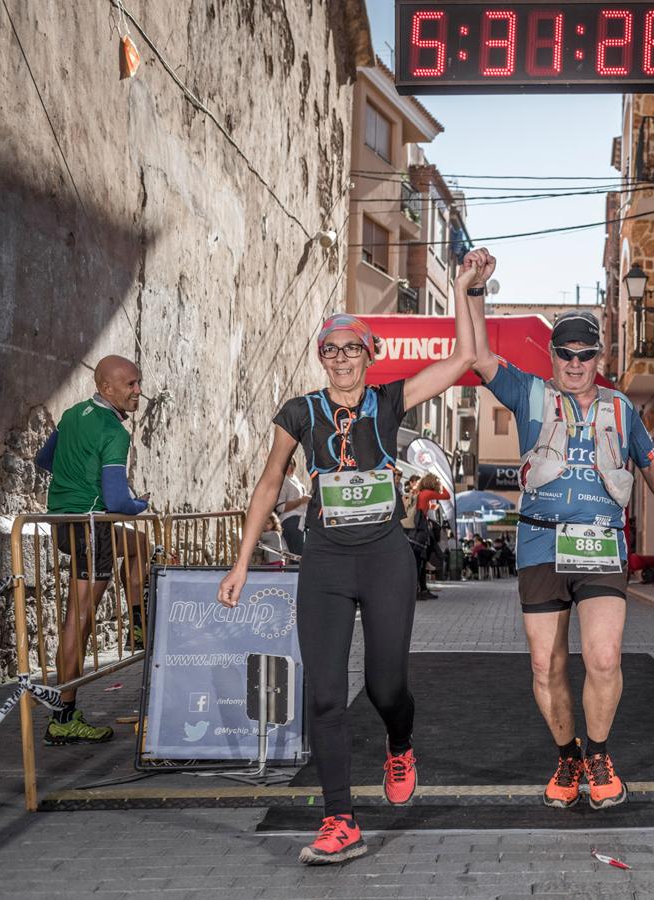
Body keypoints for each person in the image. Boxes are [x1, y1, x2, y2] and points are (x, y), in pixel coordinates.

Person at [216, 252, 483, 865]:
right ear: (322, 357)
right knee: (326, 695)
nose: (340, 358)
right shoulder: (299, 413)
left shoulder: (390, 403)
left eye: (351, 348)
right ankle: (340, 818)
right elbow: (267, 484)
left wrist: (468, 290)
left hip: (386, 557)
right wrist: (240, 562)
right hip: (327, 561)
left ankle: (400, 742)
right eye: (330, 349)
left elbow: (464, 360)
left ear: (370, 355)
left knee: (386, 685)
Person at [469, 282, 654, 811]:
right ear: (552, 356)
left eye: (584, 354)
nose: (574, 363)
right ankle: (567, 757)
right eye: (565, 354)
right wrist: (473, 291)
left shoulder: (620, 409)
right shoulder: (530, 395)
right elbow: (477, 356)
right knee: (545, 665)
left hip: (601, 545)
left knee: (604, 657)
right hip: (541, 543)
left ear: (598, 357)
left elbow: (652, 464)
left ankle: (598, 754)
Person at [34, 354, 151, 745]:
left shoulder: (71, 415)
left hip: (67, 521)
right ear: (106, 389)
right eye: (131, 385)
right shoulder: (114, 432)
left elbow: (44, 459)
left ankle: (137, 623)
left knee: (138, 545)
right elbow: (118, 499)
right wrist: (141, 504)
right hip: (90, 525)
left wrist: (77, 480)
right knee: (78, 620)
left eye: (138, 383)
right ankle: (63, 716)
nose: (139, 391)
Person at [275, 458, 309, 557]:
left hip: (301, 522)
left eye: (292, 464)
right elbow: (280, 507)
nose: (291, 466)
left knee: (300, 554)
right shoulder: (283, 481)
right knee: (295, 554)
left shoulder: (295, 479)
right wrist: (301, 500)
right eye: (288, 464)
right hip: (290, 521)